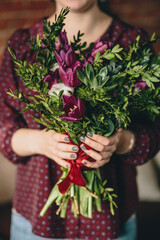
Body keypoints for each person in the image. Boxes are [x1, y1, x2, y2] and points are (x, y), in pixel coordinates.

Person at [0, 0, 159, 239]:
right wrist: (41, 142)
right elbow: (4, 129)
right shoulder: (23, 44)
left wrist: (121, 142)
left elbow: (153, 131)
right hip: (35, 220)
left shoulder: (132, 41)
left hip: (110, 223)